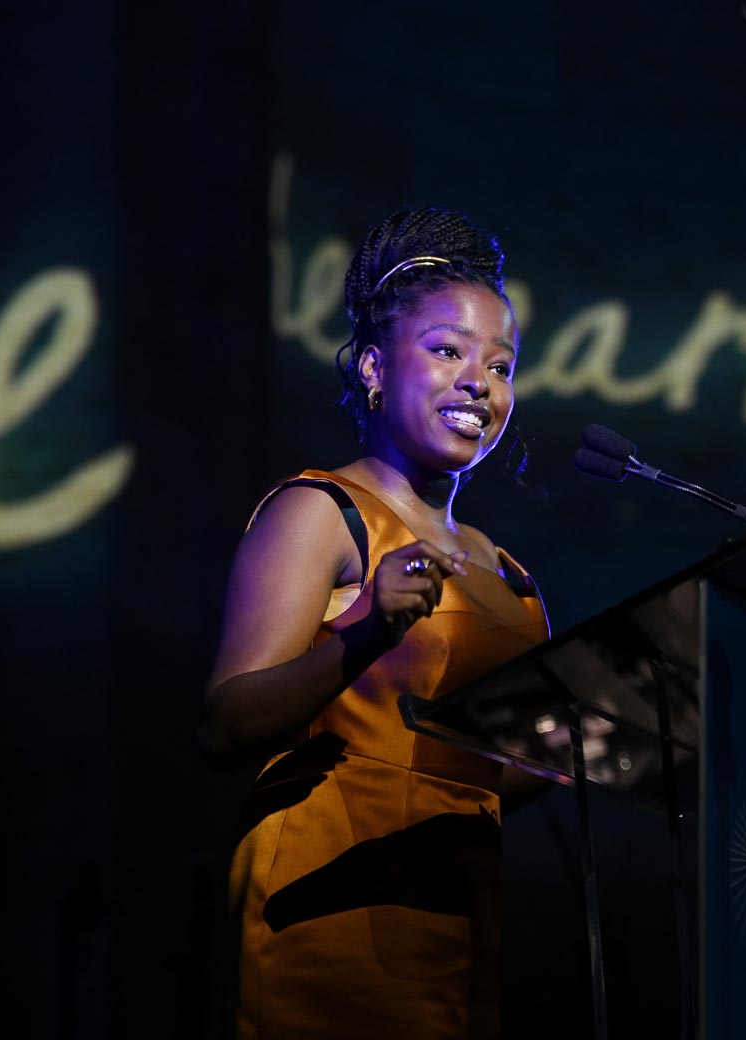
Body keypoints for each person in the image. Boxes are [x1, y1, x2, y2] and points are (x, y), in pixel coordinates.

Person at [201, 207, 551, 1040]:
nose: (479, 382)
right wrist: (364, 630)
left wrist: (616, 740)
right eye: (447, 352)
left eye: (501, 366)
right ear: (372, 367)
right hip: (330, 914)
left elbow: (479, 773)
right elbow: (223, 723)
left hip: (458, 928)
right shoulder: (321, 513)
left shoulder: (511, 578)